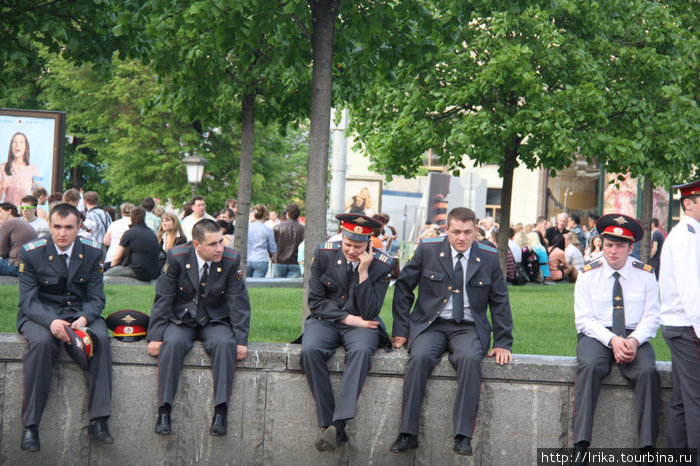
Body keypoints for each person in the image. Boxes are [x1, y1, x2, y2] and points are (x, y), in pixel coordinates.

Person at [390, 207, 513, 456]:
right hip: (430, 324)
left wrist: (503, 342)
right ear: (446, 230)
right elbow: (403, 288)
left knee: (469, 359)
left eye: (468, 232)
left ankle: (463, 435)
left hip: (468, 327)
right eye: (456, 232)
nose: (462, 238)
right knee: (420, 357)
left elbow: (500, 300)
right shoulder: (428, 249)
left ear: (476, 230)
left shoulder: (488, 256)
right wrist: (401, 329)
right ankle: (407, 433)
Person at [17, 203, 113, 451]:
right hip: (41, 314)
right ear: (48, 225)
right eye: (57, 227)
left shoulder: (93, 252)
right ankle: (31, 426)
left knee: (100, 339)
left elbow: (96, 297)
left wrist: (85, 318)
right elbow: (28, 300)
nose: (62, 233)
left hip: (79, 313)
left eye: (69, 227)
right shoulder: (31, 252)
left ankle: (99, 420)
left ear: (78, 226)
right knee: (42, 343)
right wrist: (51, 322)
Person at [146, 219, 251, 437]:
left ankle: (221, 411)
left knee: (225, 344)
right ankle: (164, 410)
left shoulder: (231, 261)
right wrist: (155, 336)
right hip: (182, 319)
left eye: (221, 241)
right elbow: (163, 297)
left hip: (214, 320)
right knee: (171, 344)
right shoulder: (176, 256)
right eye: (213, 244)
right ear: (196, 244)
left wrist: (241, 341)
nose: (220, 248)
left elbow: (238, 303)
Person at [300, 213, 393, 452]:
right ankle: (330, 424)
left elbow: (371, 311)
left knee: (362, 351)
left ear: (369, 243)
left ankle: (338, 425)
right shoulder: (324, 253)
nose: (351, 251)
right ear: (341, 236)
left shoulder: (383, 263)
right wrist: (349, 319)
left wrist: (364, 273)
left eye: (358, 246)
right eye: (348, 244)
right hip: (327, 320)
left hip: (364, 323)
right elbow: (316, 302)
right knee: (310, 350)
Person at [572, 213, 660, 461]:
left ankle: (647, 448)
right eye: (608, 245)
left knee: (647, 372)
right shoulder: (588, 273)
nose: (613, 251)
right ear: (602, 244)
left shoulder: (645, 274)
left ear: (630, 248)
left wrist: (632, 341)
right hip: (597, 335)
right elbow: (584, 319)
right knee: (589, 366)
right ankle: (580, 444)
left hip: (634, 335)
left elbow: (652, 316)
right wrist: (612, 340)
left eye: (620, 246)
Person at [659, 179, 700, 461]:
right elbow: (691, 291)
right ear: (688, 203)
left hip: (682, 325)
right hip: (688, 326)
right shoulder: (687, 235)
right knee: (696, 401)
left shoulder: (688, 233)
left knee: (681, 400)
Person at [104, 207, 161, 282]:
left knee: (104, 275)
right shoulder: (152, 233)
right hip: (153, 272)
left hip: (137, 271)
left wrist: (112, 268)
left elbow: (117, 257)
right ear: (144, 217)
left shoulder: (129, 233)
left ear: (131, 218)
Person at [0, 132, 40, 207]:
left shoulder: (33, 168)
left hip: (25, 212)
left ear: (26, 147)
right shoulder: (2, 167)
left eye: (21, 142)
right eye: (14, 142)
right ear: (11, 146)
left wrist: (37, 189)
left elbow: (37, 196)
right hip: (7, 212)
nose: (17, 144)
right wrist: (2, 187)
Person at [0, 202, 38, 275]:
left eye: (0, 211)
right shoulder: (22, 222)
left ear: (9, 211)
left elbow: (2, 252)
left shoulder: (8, 223)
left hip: (16, 265)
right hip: (29, 267)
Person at [272, 203, 305, 278]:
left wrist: (273, 257)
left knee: (277, 287)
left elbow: (272, 245)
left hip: (279, 261)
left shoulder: (277, 227)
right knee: (292, 288)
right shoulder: (303, 229)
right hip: (295, 262)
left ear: (287, 214)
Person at [246, 203, 276, 277]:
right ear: (265, 215)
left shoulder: (246, 228)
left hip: (247, 258)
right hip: (261, 259)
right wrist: (273, 257)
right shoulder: (267, 229)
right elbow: (272, 247)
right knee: (257, 285)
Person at [103, 203, 133, 267]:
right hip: (128, 258)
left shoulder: (114, 224)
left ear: (122, 212)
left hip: (112, 256)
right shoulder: (134, 225)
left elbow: (106, 241)